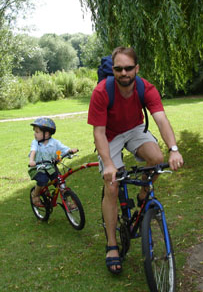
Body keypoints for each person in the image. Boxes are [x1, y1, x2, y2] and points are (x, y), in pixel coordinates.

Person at [88, 46, 183, 274]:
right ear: (113, 69)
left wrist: (174, 149)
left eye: (128, 68)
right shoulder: (102, 92)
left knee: (156, 158)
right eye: (119, 69)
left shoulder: (145, 87)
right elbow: (98, 132)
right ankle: (112, 244)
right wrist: (109, 164)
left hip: (134, 129)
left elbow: (160, 119)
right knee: (112, 185)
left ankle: (143, 193)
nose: (124, 73)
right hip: (109, 135)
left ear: (136, 68)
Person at [28, 117, 78, 206]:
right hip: (38, 167)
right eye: (34, 131)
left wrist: (70, 151)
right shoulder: (35, 142)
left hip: (51, 167)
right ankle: (35, 194)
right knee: (43, 180)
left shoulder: (55, 142)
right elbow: (33, 151)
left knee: (60, 182)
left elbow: (63, 149)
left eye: (37, 132)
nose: (34, 134)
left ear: (46, 134)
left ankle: (67, 202)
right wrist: (31, 160)